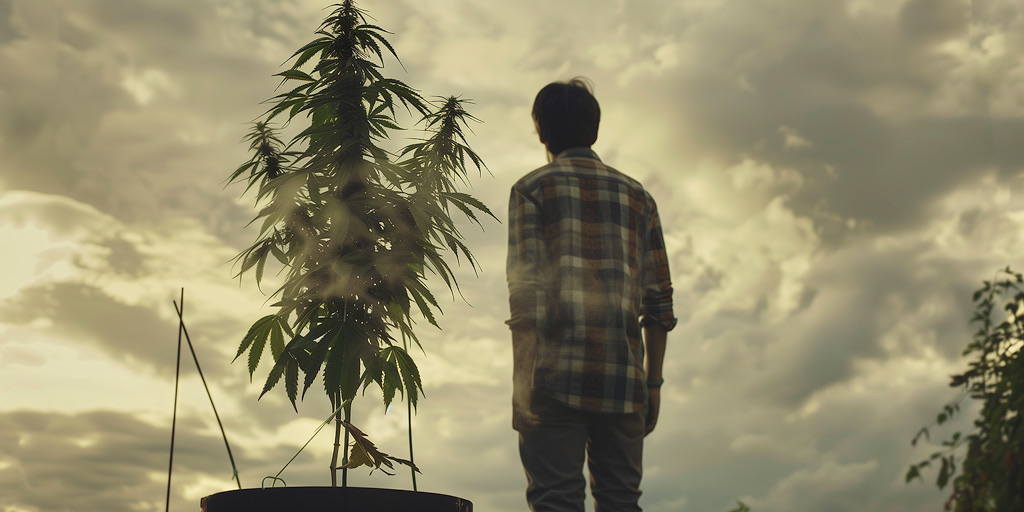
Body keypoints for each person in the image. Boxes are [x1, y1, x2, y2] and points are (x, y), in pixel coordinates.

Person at [506, 78, 677, 512]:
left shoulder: (532, 189)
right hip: (623, 382)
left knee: (556, 500)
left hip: (553, 376)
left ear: (542, 131)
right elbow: (658, 303)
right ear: (594, 130)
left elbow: (526, 297)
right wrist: (652, 384)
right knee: (621, 502)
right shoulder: (639, 196)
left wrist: (522, 385)